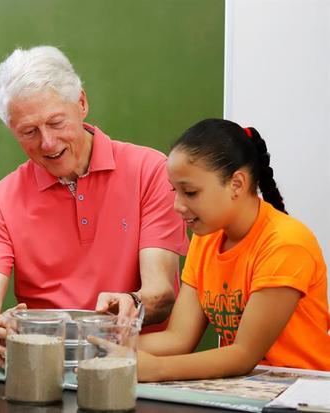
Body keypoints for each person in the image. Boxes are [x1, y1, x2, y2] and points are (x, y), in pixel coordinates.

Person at [0, 45, 188, 366]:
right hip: (42, 364)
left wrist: (132, 303)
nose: (48, 143)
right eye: (29, 131)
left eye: (56, 122)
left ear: (81, 103)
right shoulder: (2, 199)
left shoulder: (150, 170)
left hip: (132, 362)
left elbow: (161, 292)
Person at [97, 118, 330, 380]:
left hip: (302, 390)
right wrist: (99, 347)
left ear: (237, 184)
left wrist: (156, 368)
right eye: (175, 191)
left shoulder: (285, 243)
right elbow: (178, 338)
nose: (177, 205)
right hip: (246, 386)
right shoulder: (206, 237)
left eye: (191, 192)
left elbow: (243, 354)